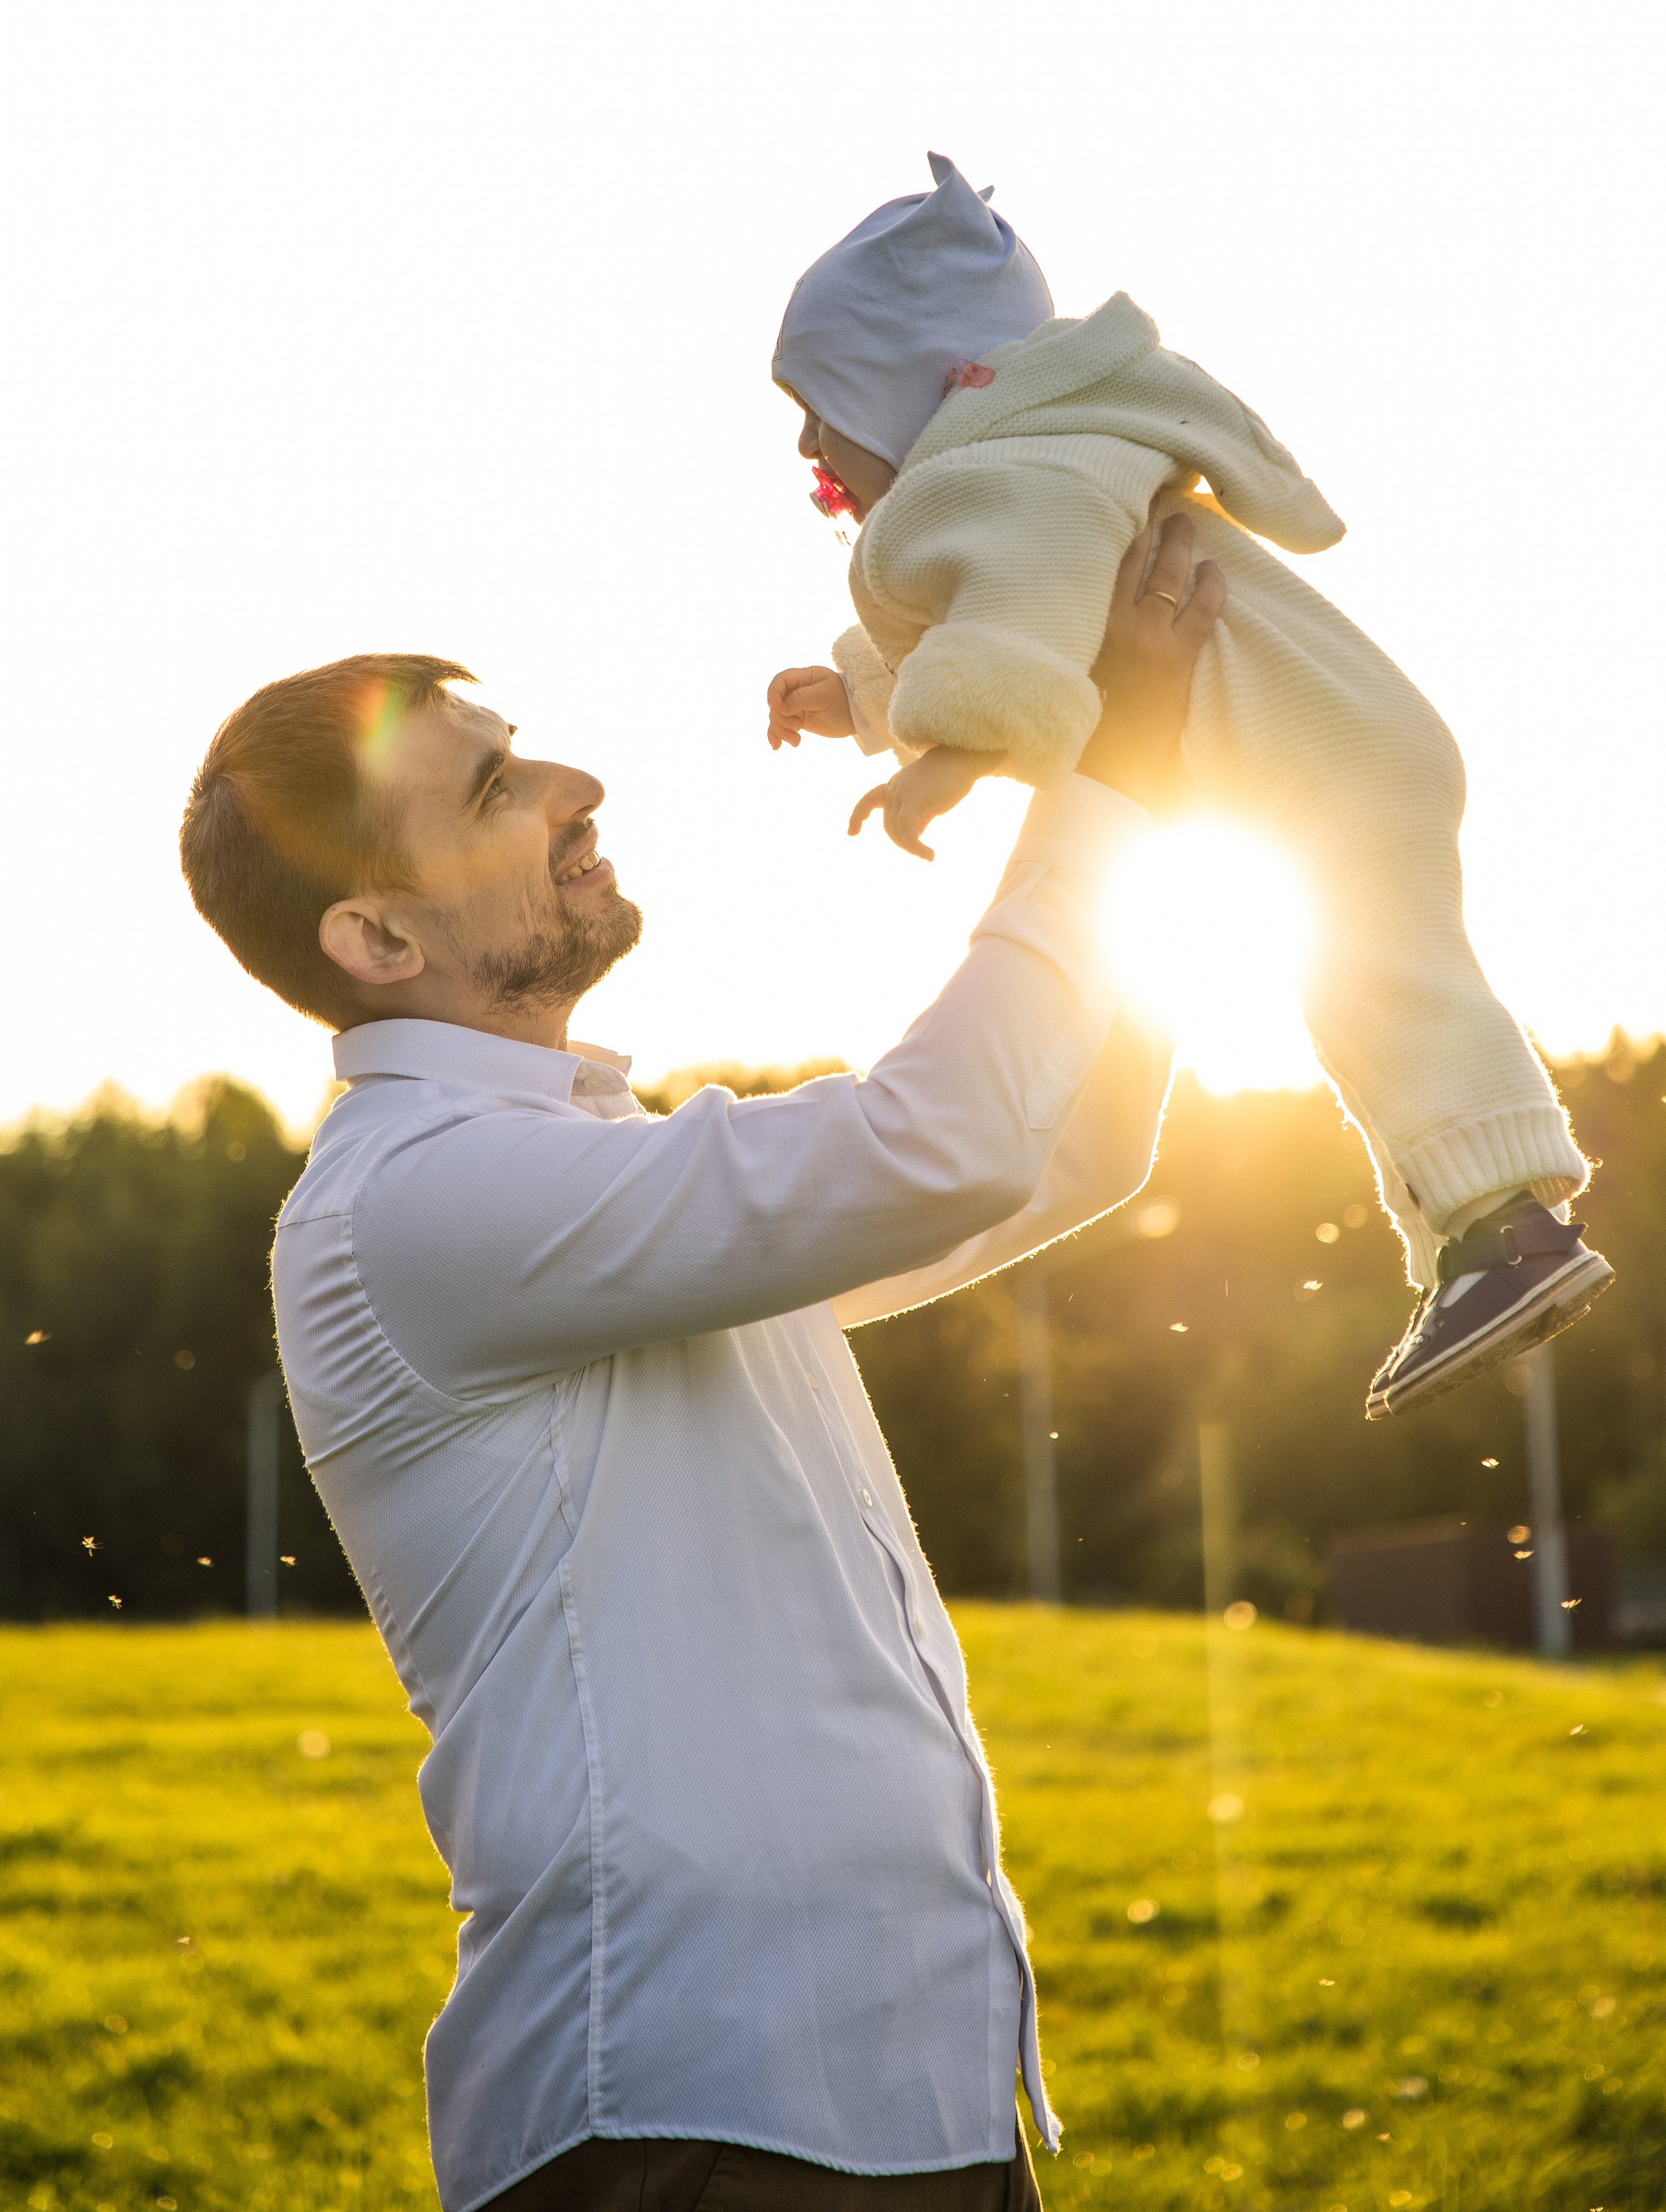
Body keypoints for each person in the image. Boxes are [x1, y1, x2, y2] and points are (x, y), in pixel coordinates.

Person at [178, 520, 1221, 2212]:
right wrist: (1099, 783)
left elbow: (1061, 1152)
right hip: (682, 2117)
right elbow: (938, 1142)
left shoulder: (597, 1187)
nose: (575, 782)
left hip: (905, 2093)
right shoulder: (422, 1205)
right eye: (498, 783)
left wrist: (1157, 798)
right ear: (376, 942)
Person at [764, 154, 1610, 1423]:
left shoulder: (1021, 475)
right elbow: (1006, 605)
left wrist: (935, 766)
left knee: (1384, 985)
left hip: (1322, 758)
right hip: (1326, 749)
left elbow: (1031, 622)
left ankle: (1516, 1234)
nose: (805, 441)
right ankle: (1476, 1253)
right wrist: (865, 697)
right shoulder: (1043, 461)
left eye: (822, 404)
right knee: (1363, 996)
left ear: (917, 391)